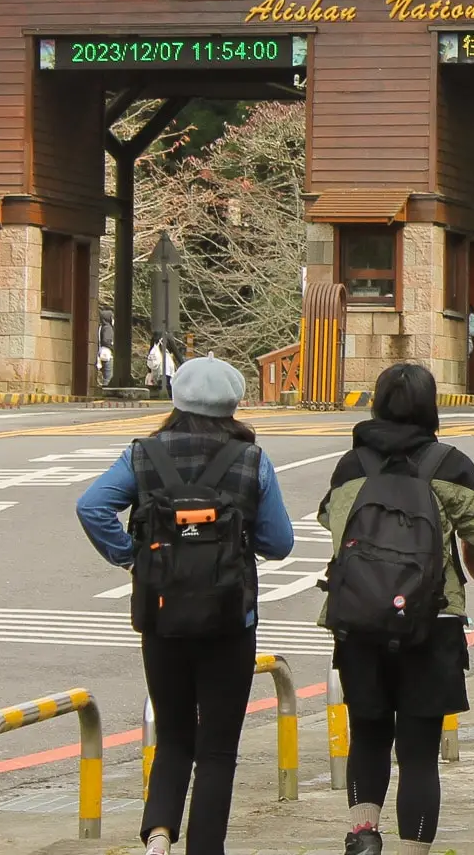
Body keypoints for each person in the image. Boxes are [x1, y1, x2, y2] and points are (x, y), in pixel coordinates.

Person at [76, 356, 294, 855]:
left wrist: (133, 559)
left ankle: (157, 836)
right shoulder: (251, 460)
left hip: (161, 616)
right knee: (217, 749)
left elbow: (92, 506)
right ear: (233, 405)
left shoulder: (143, 455)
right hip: (229, 622)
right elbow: (279, 542)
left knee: (174, 735)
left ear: (175, 399)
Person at [320, 363, 474, 855]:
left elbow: (330, 521)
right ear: (432, 408)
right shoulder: (448, 465)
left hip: (359, 621)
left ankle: (363, 838)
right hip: (433, 622)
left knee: (368, 735)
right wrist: (465, 546)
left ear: (377, 404)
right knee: (420, 754)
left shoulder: (351, 466)